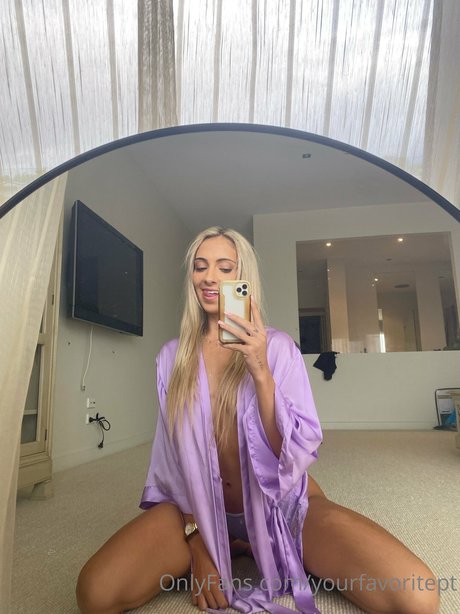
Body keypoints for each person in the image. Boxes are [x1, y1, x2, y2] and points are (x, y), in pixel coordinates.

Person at [76, 227, 439, 614]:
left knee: (416, 597)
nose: (209, 277)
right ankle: (225, 542)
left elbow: (290, 452)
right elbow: (171, 461)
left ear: (243, 278)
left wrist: (260, 370)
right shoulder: (171, 358)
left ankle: (262, 542)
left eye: (224, 267)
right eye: (200, 266)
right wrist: (198, 541)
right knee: (95, 594)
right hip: (199, 511)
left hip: (281, 505)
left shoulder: (277, 348)